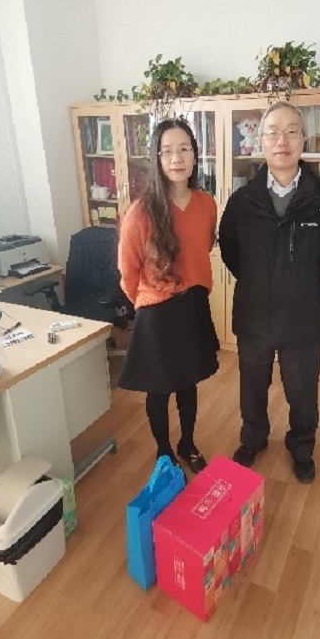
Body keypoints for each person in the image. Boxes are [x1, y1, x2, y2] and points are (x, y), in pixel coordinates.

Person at [219, 100, 320, 483]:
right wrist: (261, 282)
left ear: (303, 140)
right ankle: (253, 439)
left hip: (304, 318)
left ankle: (302, 448)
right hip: (254, 314)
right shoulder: (242, 201)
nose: (282, 140)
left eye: (292, 131)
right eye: (273, 132)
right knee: (252, 387)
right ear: (260, 141)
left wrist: (302, 284)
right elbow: (231, 252)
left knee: (303, 394)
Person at [118, 118, 219, 474]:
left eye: (184, 149)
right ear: (157, 159)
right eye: (167, 151)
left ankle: (187, 443)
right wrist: (149, 301)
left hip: (193, 305)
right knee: (159, 388)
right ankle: (163, 451)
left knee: (188, 382)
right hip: (157, 311)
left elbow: (203, 246)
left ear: (195, 155)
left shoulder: (207, 203)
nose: (177, 158)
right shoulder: (141, 212)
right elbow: (128, 272)